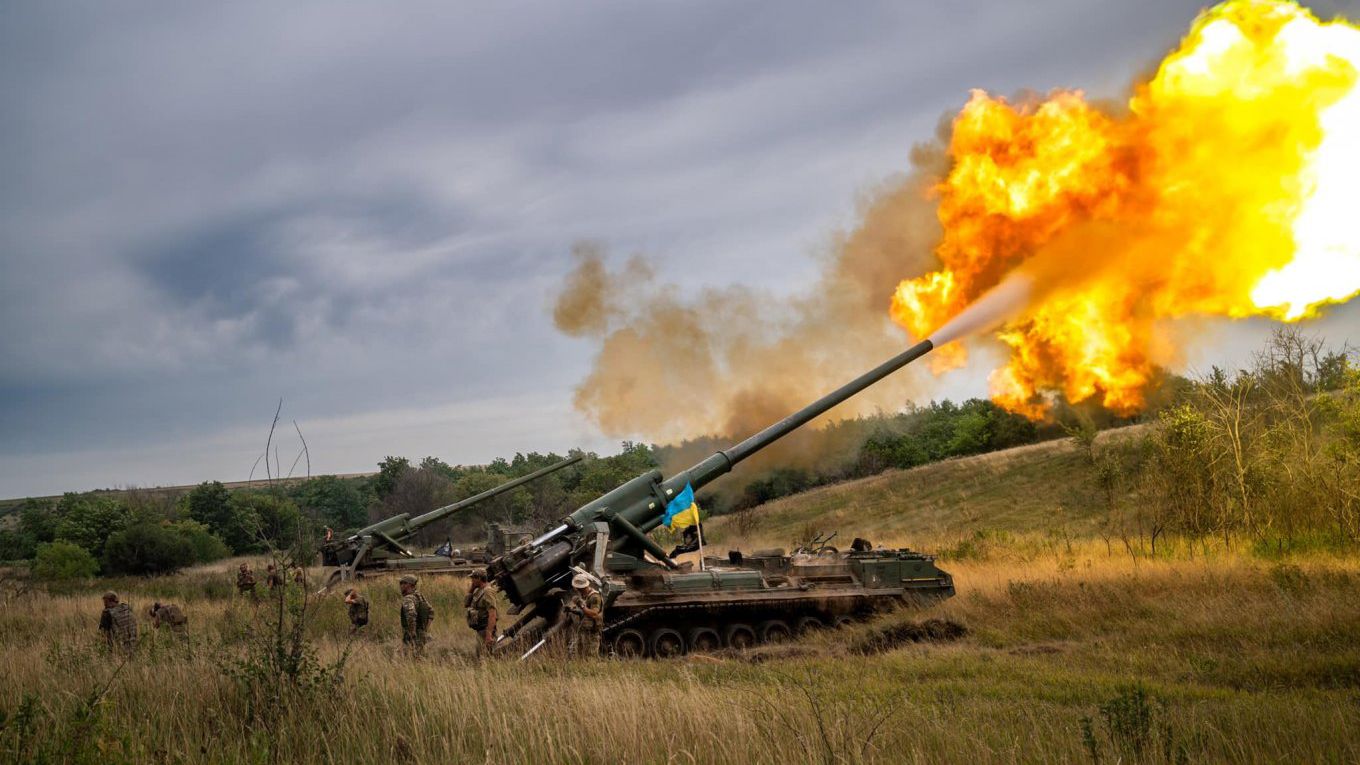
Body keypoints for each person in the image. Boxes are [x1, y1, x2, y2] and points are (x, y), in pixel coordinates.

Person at [563, 574, 604, 658]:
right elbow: (584, 613)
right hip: (584, 630)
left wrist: (580, 605)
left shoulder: (594, 597)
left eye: (578, 588)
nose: (577, 590)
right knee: (579, 654)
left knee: (591, 656)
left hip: (592, 631)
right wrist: (572, 610)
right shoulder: (585, 596)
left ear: (581, 588)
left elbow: (594, 613)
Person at [463, 570, 499, 659]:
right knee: (480, 656)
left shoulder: (488, 591)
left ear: (479, 578)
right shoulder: (478, 591)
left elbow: (492, 614)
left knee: (485, 658)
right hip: (480, 630)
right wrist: (471, 589)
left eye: (473, 578)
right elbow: (466, 604)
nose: (472, 580)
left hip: (486, 629)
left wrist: (489, 634)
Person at [398, 574, 434, 656]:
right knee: (420, 656)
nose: (401, 586)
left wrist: (412, 633)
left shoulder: (408, 599)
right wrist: (425, 629)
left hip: (412, 635)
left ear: (409, 585)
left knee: (408, 658)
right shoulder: (420, 597)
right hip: (421, 634)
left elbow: (411, 615)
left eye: (402, 583)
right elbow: (431, 612)